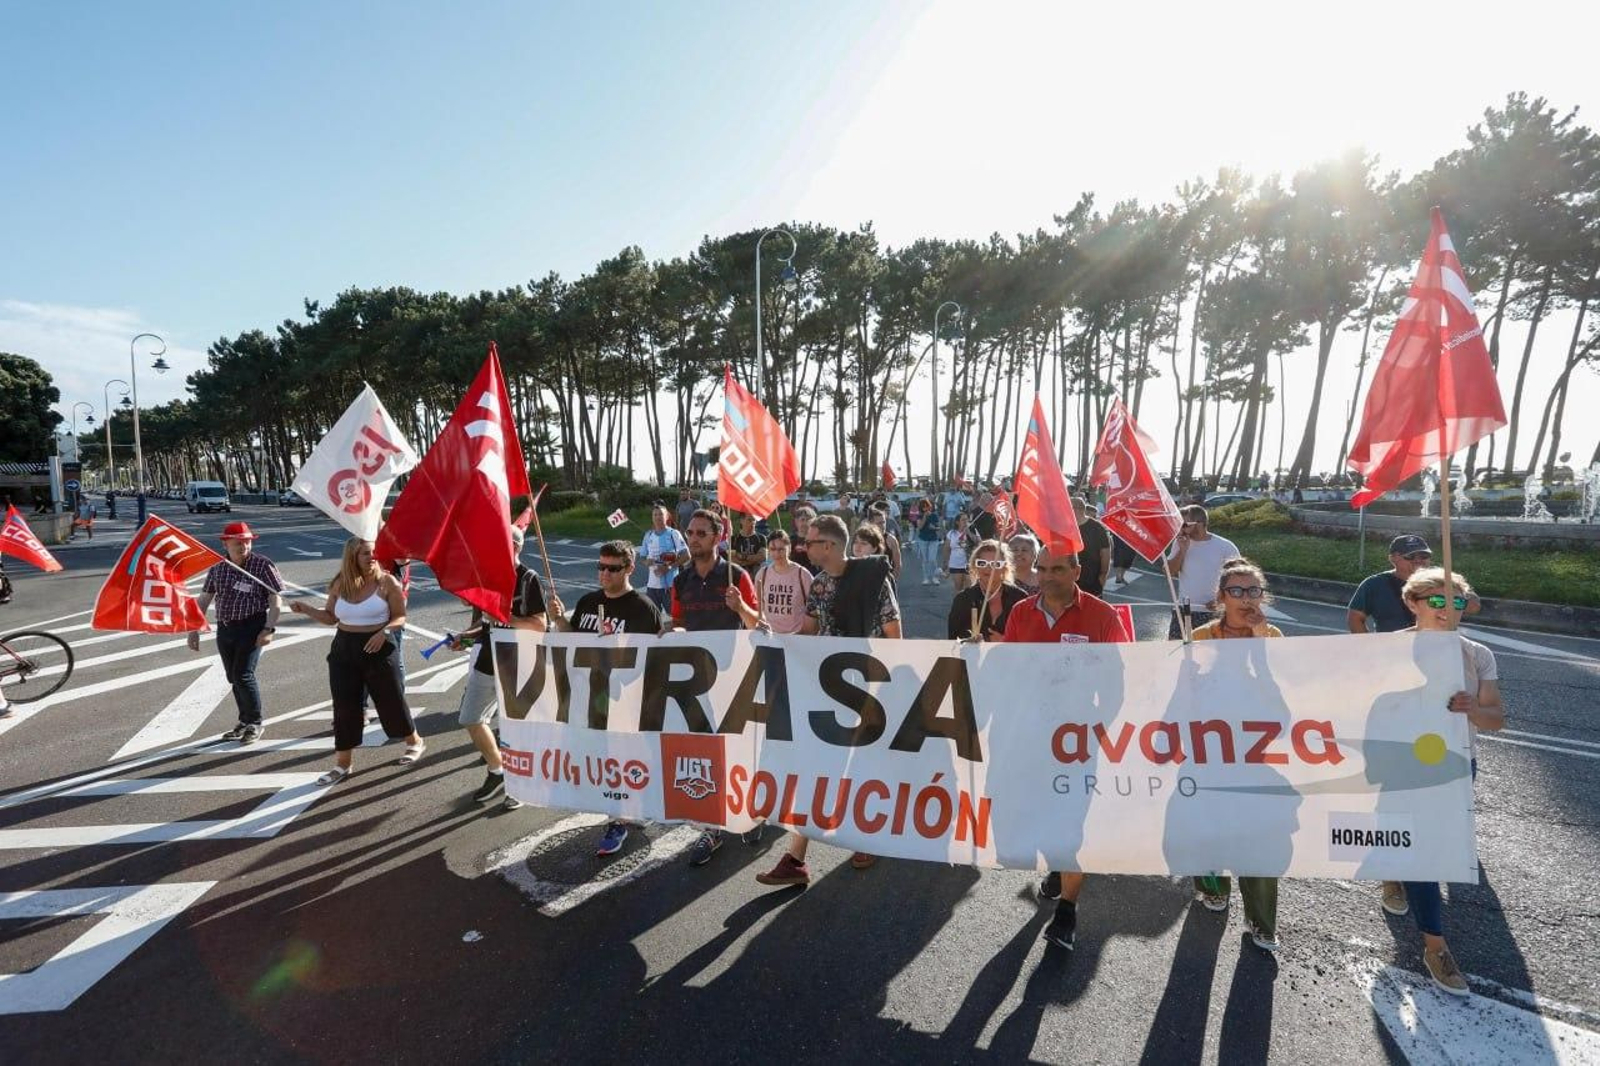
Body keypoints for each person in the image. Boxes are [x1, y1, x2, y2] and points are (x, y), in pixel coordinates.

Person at [1374, 567, 1505, 994]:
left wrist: (1470, 710)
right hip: (1399, 762)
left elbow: (1495, 719)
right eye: (1436, 600)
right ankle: (1436, 944)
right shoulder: (1388, 651)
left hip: (1454, 764)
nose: (1447, 609)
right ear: (1412, 603)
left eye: (1457, 601)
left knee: (1429, 850)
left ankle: (1403, 883)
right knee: (1415, 847)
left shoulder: (1477, 654)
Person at [757, 514, 901, 888]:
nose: (805, 547)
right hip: (829, 688)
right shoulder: (820, 584)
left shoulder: (874, 580)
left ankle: (865, 838)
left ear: (831, 546)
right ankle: (795, 859)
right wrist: (773, 640)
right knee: (816, 768)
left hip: (866, 689)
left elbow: (894, 636)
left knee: (861, 770)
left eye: (812, 541)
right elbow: (807, 635)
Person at [1001, 544, 1130, 949]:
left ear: (1077, 571)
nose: (1048, 576)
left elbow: (1119, 683)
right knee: (1041, 817)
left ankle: (1067, 913)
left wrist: (1098, 732)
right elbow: (1009, 673)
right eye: (1042, 569)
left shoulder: (1103, 616)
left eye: (1058, 568)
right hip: (1031, 739)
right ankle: (1056, 870)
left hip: (1078, 744)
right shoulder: (1022, 613)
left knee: (1073, 829)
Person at [1188, 557, 1285, 952]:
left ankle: (1261, 919)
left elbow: (1284, 699)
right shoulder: (1199, 637)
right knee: (1206, 826)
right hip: (1206, 750)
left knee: (1258, 836)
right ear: (1221, 598)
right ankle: (1213, 887)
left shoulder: (1273, 637)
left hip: (1256, 755)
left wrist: (1260, 649)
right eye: (1237, 591)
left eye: (1253, 591)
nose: (1247, 599)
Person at [547, 539, 665, 855]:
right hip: (591, 697)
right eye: (600, 567)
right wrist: (559, 620)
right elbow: (571, 645)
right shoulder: (587, 602)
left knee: (623, 760)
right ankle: (621, 812)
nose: (604, 574)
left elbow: (653, 658)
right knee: (600, 758)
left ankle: (619, 820)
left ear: (629, 568)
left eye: (612, 568)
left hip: (625, 698)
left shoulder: (642, 607)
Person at [288, 537, 423, 785]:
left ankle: (414, 741)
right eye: (366, 554)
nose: (372, 557)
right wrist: (306, 608)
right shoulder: (340, 583)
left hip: (379, 647)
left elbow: (400, 617)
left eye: (374, 553)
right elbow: (331, 618)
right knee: (345, 707)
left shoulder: (387, 582)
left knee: (391, 701)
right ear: (353, 557)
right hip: (344, 649)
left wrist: (384, 633)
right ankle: (343, 764)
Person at [672, 508, 762, 865]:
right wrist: (670, 634)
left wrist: (741, 608)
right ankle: (712, 829)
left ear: (718, 536)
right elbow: (679, 623)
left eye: (701, 533)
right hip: (695, 681)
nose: (694, 538)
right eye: (691, 533)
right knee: (706, 755)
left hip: (735, 678)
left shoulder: (736, 575)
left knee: (739, 752)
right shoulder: (681, 580)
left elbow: (759, 625)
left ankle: (751, 812)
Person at [445, 526, 549, 810]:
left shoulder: (528, 578)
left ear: (515, 547)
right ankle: (498, 770)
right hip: (487, 658)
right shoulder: (488, 577)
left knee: (516, 728)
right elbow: (488, 622)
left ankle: (520, 784)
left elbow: (539, 625)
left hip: (519, 661)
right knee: (470, 717)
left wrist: (505, 615)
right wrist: (464, 637)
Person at [188, 522, 284, 744]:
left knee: (243, 674)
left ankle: (255, 722)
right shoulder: (218, 568)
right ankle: (244, 720)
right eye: (238, 543)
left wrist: (268, 628)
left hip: (252, 626)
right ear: (226, 543)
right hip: (226, 628)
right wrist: (194, 629)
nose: (244, 547)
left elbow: (274, 598)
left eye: (247, 542)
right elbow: (204, 598)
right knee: (233, 676)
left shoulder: (262, 565)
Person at [1348, 535, 1479, 634]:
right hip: (1394, 649)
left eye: (1423, 556)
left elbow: (1474, 606)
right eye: (1410, 556)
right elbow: (1355, 618)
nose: (1418, 560)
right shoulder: (1374, 584)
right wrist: (1370, 648)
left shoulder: (1442, 581)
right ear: (1393, 558)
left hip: (1438, 648)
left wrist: (1451, 597)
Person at [1162, 505, 1239, 639]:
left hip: (1214, 612)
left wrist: (1222, 599)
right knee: (1177, 652)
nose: (1180, 528)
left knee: (1210, 655)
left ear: (1199, 524)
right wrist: (1182, 551)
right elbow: (1169, 572)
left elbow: (1239, 578)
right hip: (1183, 610)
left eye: (1184, 524)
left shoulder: (1225, 546)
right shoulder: (1180, 543)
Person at [947, 539, 1030, 640]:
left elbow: (1029, 640)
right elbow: (952, 640)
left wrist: (1005, 642)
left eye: (995, 564)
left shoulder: (1019, 598)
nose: (988, 568)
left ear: (1004, 568)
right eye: (982, 563)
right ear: (975, 566)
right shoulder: (963, 599)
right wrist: (968, 642)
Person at [758, 529, 813, 635]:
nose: (777, 553)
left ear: (789, 548)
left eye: (781, 549)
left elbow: (814, 608)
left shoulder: (802, 574)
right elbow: (760, 606)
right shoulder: (762, 574)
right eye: (772, 549)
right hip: (770, 636)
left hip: (797, 636)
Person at [639, 505, 688, 615]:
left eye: (661, 514)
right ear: (652, 517)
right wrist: (646, 562)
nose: (658, 517)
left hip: (670, 586)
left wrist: (669, 567)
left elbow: (687, 555)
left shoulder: (673, 534)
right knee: (652, 620)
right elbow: (642, 557)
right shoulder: (648, 535)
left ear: (666, 516)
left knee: (676, 618)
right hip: (652, 586)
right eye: (655, 514)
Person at [1073, 496, 1112, 597]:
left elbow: (1106, 554)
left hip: (1091, 583)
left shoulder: (1097, 528)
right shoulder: (1066, 527)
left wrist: (1101, 579)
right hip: (1069, 582)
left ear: (1076, 509)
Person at [865, 503, 902, 583]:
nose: (882, 526)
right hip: (867, 581)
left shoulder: (891, 539)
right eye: (879, 523)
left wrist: (892, 581)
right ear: (871, 523)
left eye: (884, 522)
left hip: (886, 581)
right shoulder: (864, 539)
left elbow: (898, 564)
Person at [945, 512, 973, 592]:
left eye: (967, 520)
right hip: (955, 564)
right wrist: (946, 563)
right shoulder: (951, 533)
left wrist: (969, 533)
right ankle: (958, 603)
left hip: (968, 563)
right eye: (963, 520)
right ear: (957, 522)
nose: (965, 522)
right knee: (958, 588)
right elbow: (947, 548)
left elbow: (979, 542)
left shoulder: (972, 530)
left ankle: (968, 604)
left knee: (969, 588)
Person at [914, 503, 942, 584]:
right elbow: (920, 527)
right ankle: (926, 577)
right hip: (923, 539)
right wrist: (925, 517)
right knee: (925, 560)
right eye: (923, 506)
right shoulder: (919, 516)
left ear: (930, 506)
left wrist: (935, 528)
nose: (925, 508)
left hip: (933, 539)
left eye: (927, 506)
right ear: (921, 508)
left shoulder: (934, 515)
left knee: (932, 559)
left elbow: (939, 527)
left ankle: (935, 577)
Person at [790, 508, 819, 575]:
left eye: (808, 520)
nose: (805, 523)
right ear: (796, 521)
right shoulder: (790, 540)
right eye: (802, 520)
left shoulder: (818, 540)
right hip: (794, 575)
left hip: (813, 575)